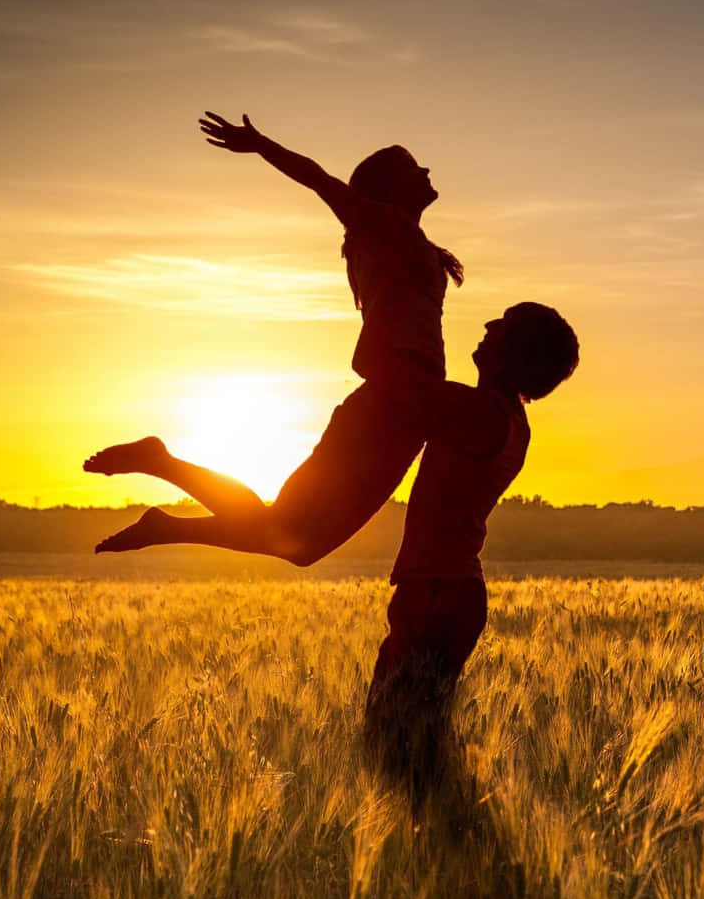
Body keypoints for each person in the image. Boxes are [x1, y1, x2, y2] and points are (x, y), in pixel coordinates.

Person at [87, 112, 462, 565]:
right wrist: (261, 145)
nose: (425, 172)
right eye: (412, 167)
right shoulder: (381, 226)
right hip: (390, 403)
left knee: (299, 543)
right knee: (289, 533)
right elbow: (319, 179)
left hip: (407, 408)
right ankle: (160, 467)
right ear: (390, 188)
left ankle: (163, 514)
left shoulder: (406, 240)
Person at [360, 302, 578, 800]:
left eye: (501, 324)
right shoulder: (502, 418)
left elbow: (389, 379)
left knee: (396, 745)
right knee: (409, 742)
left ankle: (440, 847)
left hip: (438, 592)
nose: (486, 326)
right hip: (444, 590)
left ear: (514, 353)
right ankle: (447, 844)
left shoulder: (480, 415)